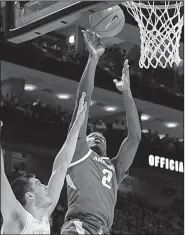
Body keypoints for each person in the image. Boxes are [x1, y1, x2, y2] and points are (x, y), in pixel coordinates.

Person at [61, 30, 141, 235]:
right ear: (83, 141)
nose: (98, 135)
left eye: (102, 136)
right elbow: (83, 103)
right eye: (92, 135)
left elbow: (134, 138)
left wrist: (127, 93)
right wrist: (93, 59)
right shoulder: (78, 153)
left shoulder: (114, 168)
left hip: (103, 230)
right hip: (79, 226)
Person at [0, 93, 87, 234]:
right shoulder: (17, 218)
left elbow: (61, 168)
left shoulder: (44, 217)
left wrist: (77, 124)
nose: (46, 186)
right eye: (38, 184)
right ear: (29, 195)